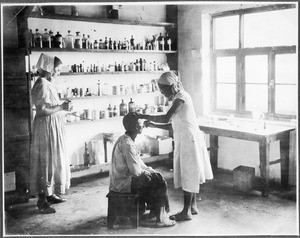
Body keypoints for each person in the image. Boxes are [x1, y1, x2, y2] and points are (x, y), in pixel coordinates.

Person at [139, 71, 213, 221]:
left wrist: (143, 116)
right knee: (189, 172)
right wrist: (153, 124)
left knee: (189, 174)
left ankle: (186, 212)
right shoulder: (177, 98)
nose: (163, 93)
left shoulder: (181, 97)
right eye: (160, 90)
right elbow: (173, 124)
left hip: (189, 140)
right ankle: (192, 206)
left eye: (164, 90)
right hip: (184, 139)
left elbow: (167, 117)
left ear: (172, 86)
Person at [109, 112, 176, 227]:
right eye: (141, 124)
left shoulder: (125, 139)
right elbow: (136, 171)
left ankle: (157, 212)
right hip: (123, 182)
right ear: (136, 127)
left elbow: (139, 163)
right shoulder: (127, 144)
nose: (143, 126)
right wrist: (150, 174)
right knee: (158, 182)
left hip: (123, 179)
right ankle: (160, 218)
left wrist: (152, 171)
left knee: (156, 176)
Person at [30, 53, 72, 214]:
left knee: (54, 161)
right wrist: (61, 107)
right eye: (57, 70)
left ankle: (50, 194)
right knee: (45, 162)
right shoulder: (41, 83)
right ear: (49, 68)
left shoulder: (48, 83)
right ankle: (42, 201)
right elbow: (41, 111)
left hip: (52, 127)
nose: (58, 73)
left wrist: (63, 108)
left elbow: (52, 106)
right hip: (45, 129)